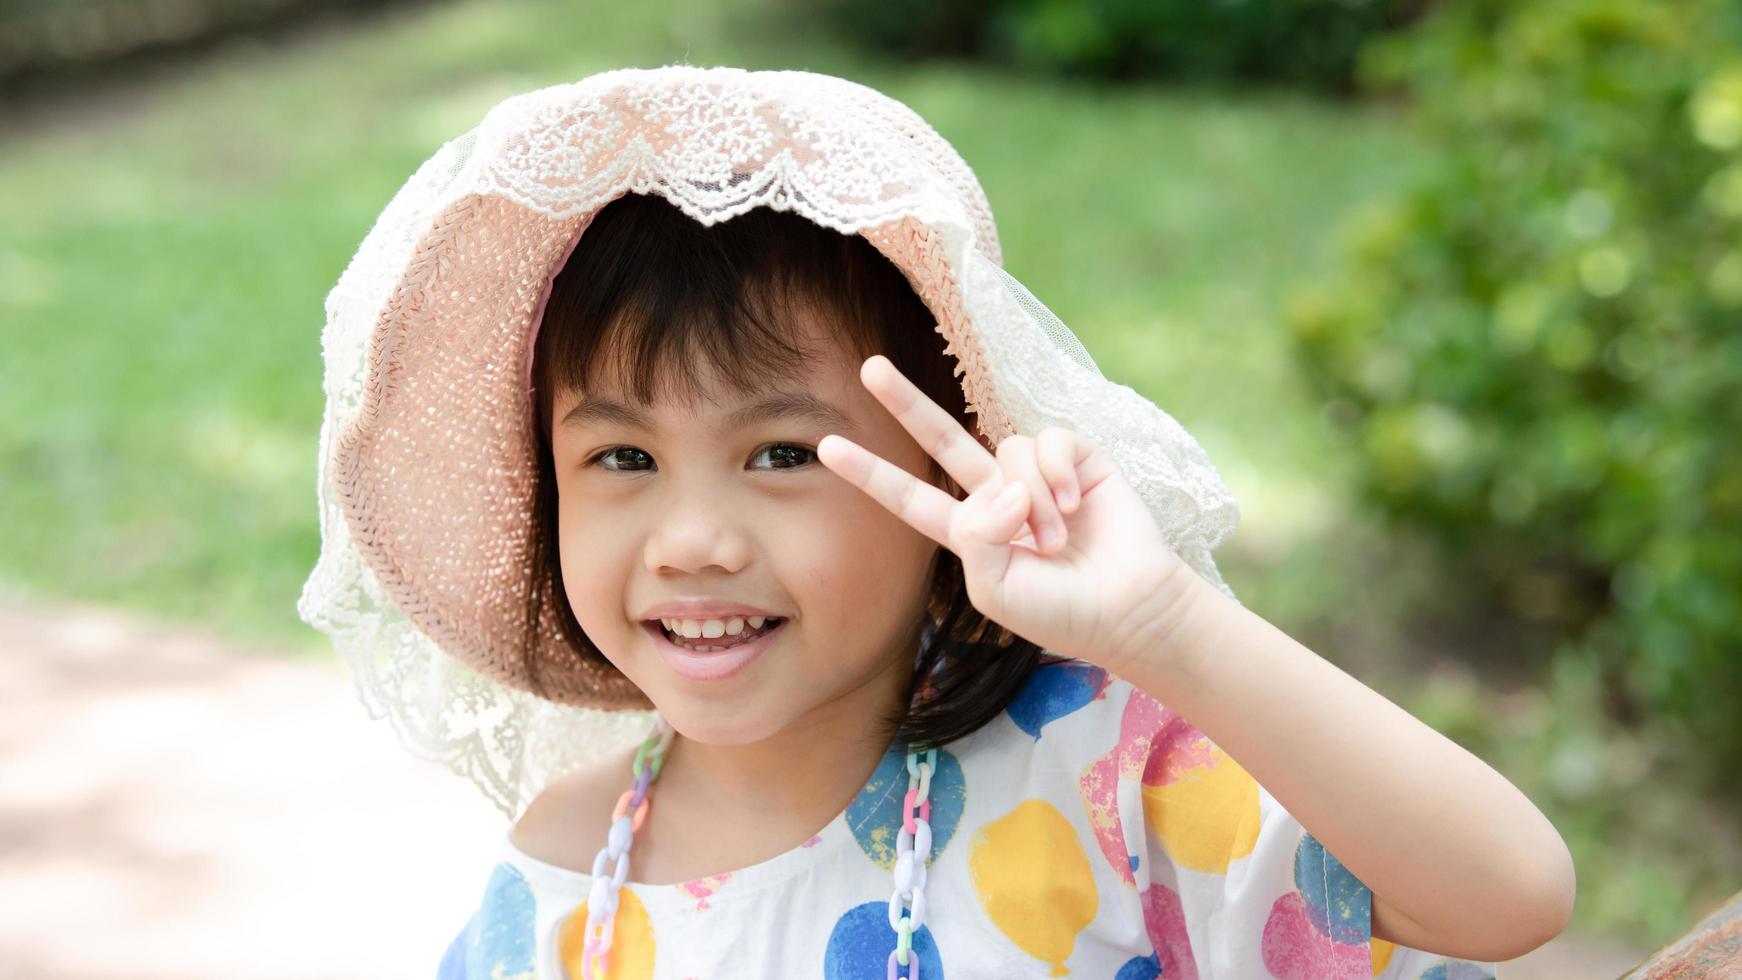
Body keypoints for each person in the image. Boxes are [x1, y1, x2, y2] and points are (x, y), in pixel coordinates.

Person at [298, 66, 1573, 979]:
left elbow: (1510, 895)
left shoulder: (1096, 772)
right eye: (621, 453)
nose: (690, 535)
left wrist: (1165, 626)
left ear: (947, 480)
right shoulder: (570, 877)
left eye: (782, 452)